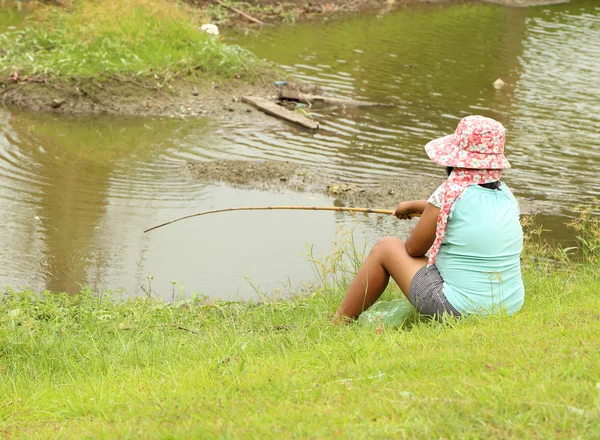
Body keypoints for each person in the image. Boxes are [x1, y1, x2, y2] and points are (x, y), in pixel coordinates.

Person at [335, 115, 524, 322]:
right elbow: (460, 209)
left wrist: (426, 210)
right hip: (509, 305)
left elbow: (413, 249)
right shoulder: (506, 196)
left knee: (385, 247)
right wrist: (413, 206)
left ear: (455, 159)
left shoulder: (448, 194)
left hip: (460, 310)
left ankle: (338, 323)